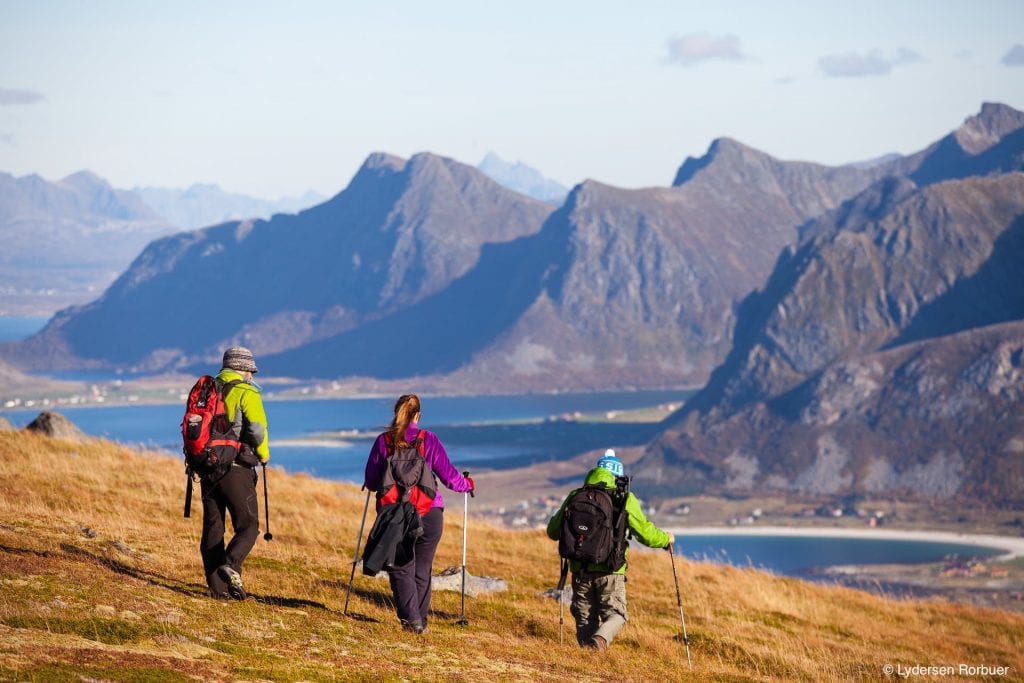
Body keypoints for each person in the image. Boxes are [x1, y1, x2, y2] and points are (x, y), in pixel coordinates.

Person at [364, 394, 474, 634]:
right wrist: (468, 485)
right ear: (418, 415)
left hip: (395, 514)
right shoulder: (429, 439)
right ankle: (420, 621)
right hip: (430, 511)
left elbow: (372, 481)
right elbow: (450, 478)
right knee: (423, 568)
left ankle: (412, 622)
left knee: (400, 566)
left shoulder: (384, 441)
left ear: (397, 413)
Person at [546, 449, 674, 650]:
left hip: (580, 568)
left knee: (584, 616)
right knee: (616, 615)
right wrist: (665, 539)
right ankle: (600, 641)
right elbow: (645, 533)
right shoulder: (624, 498)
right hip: (611, 568)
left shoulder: (576, 495)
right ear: (618, 475)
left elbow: (553, 531)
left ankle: (587, 659)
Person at [200, 346, 270, 600]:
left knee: (213, 527)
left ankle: (219, 592)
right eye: (251, 370)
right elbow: (257, 430)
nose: (252, 375)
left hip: (207, 466)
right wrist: (263, 453)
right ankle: (230, 566)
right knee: (248, 525)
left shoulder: (209, 389)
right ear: (244, 369)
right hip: (236, 468)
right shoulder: (245, 391)